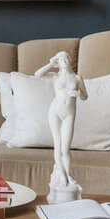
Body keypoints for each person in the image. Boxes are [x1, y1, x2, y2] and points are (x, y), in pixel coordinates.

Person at [35, 51, 87, 202]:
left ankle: (68, 174)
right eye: (60, 59)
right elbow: (37, 74)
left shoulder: (77, 78)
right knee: (57, 145)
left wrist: (77, 93)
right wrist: (51, 63)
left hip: (69, 114)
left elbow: (85, 96)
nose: (63, 61)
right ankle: (64, 176)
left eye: (65, 58)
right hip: (55, 112)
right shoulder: (55, 76)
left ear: (70, 60)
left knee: (66, 148)